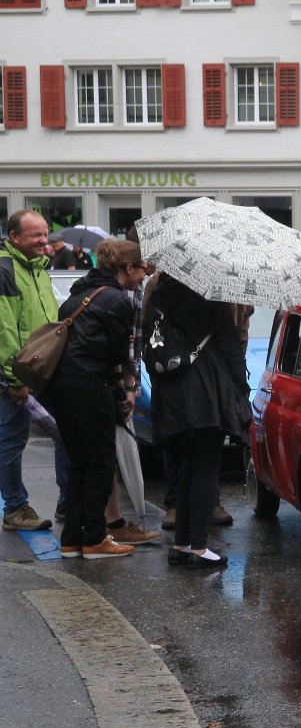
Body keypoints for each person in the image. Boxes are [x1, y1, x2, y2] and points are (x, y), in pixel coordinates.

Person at [41, 240, 146, 560]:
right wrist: (124, 393)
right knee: (101, 461)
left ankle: (72, 540)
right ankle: (96, 539)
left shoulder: (78, 293)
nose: (144, 275)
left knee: (80, 462)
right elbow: (117, 354)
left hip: (62, 388)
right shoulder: (117, 300)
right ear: (129, 268)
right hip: (90, 387)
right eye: (142, 269)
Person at [147, 274, 250, 567]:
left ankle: (181, 544)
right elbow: (229, 345)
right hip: (206, 388)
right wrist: (241, 388)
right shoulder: (211, 291)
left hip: (171, 389)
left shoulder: (158, 293)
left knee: (186, 466)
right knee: (206, 465)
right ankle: (200, 547)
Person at [0, 210, 70, 531]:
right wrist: (16, 379)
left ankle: (68, 502)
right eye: (36, 235)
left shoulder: (38, 267)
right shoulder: (5, 270)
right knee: (13, 440)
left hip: (47, 369)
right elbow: (4, 330)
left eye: (45, 233)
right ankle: (15, 509)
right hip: (19, 374)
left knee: (64, 433)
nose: (44, 240)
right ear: (14, 237)